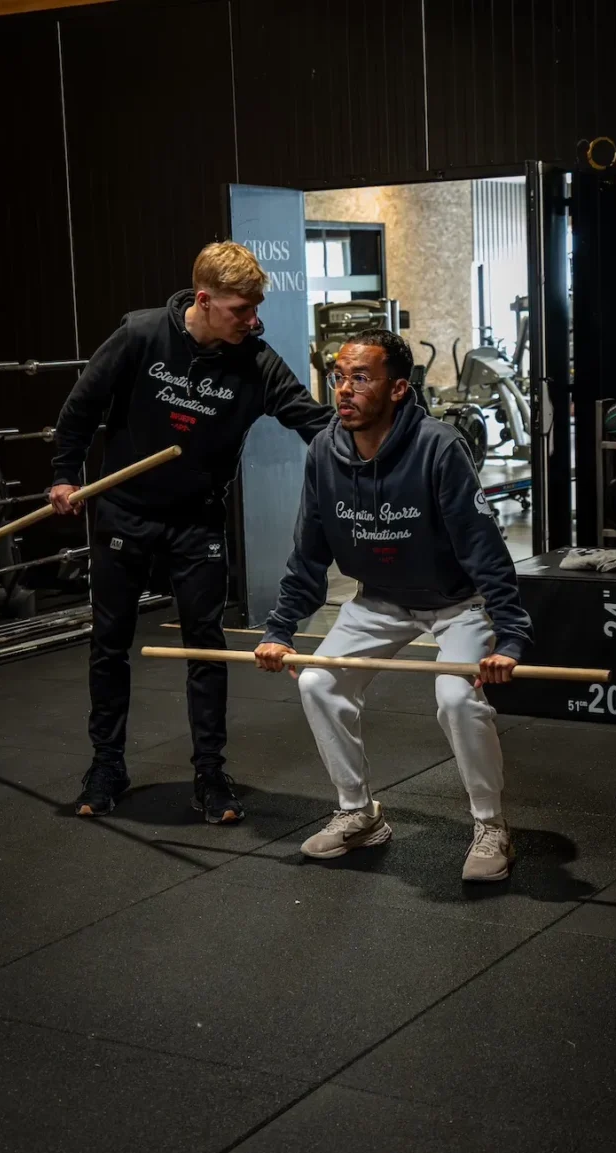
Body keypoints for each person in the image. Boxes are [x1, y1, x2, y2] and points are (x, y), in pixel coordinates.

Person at [50, 241, 333, 822]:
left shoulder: (254, 360)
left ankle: (210, 773)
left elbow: (313, 421)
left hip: (197, 521)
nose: (253, 321)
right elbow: (80, 409)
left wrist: (386, 450)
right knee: (109, 644)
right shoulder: (140, 336)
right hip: (124, 511)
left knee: (206, 647)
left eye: (256, 309)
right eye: (240, 310)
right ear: (204, 300)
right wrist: (62, 475)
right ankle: (107, 764)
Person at [254, 329, 532, 881]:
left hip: (457, 603)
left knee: (455, 696)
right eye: (339, 378)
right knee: (317, 682)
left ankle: (491, 824)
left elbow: (483, 548)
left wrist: (512, 636)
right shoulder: (323, 453)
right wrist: (281, 630)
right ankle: (358, 814)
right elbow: (308, 553)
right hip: (380, 599)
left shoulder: (438, 447)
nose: (344, 390)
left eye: (362, 378)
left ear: (398, 387)